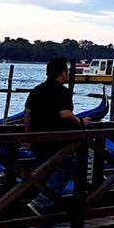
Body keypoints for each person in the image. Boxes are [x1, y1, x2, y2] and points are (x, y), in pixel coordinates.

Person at [23, 58, 89, 218]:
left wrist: (28, 136)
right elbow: (65, 114)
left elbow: (27, 114)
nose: (68, 74)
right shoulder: (63, 92)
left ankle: (43, 209)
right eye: (67, 71)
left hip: (38, 139)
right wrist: (81, 121)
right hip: (57, 140)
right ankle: (41, 203)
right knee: (67, 168)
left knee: (44, 172)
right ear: (62, 73)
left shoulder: (36, 90)